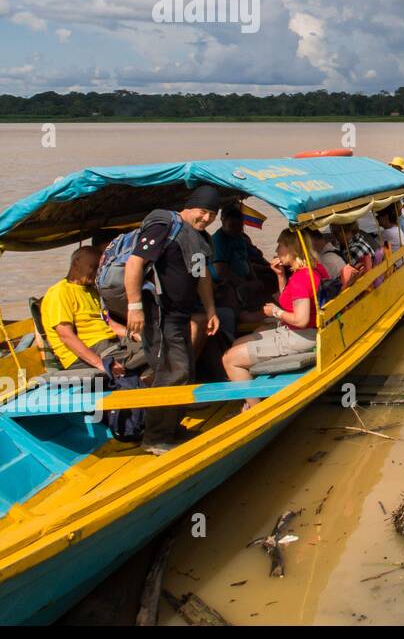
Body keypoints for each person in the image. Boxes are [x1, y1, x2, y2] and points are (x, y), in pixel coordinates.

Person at [124, 186, 222, 455]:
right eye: (203, 212)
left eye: (213, 214)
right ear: (190, 206)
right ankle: (155, 437)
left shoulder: (200, 239)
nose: (206, 219)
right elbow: (135, 263)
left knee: (184, 371)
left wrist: (211, 310)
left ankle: (172, 428)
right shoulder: (164, 225)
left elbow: (202, 277)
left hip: (180, 316)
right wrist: (134, 307)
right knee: (171, 373)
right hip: (159, 316)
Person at [41, 247, 148, 440]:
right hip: (90, 351)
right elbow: (66, 336)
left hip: (112, 344)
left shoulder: (91, 291)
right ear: (75, 264)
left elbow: (109, 323)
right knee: (152, 354)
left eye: (98, 267)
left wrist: (132, 334)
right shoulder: (59, 293)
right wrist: (100, 363)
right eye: (91, 267)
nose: (95, 272)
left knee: (156, 343)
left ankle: (156, 405)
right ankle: (142, 416)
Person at [221, 229, 324, 407]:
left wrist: (275, 312)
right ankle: (252, 389)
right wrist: (280, 276)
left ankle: (255, 408)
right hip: (301, 332)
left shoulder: (301, 279)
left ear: (292, 249)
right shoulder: (313, 270)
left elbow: (300, 320)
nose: (276, 251)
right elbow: (290, 304)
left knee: (229, 360)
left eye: (280, 246)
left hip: (299, 336)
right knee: (236, 345)